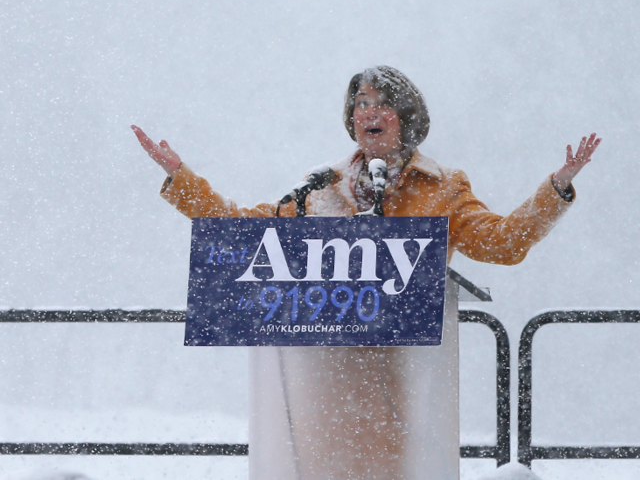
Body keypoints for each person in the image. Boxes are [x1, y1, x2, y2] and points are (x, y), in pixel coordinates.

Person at [133, 66, 600, 480]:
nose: (369, 113)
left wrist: (556, 188)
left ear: (406, 116)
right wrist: (182, 178)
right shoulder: (321, 186)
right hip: (324, 369)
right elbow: (248, 230)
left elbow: (501, 243)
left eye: (382, 104)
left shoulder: (444, 187)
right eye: (361, 104)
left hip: (407, 369)